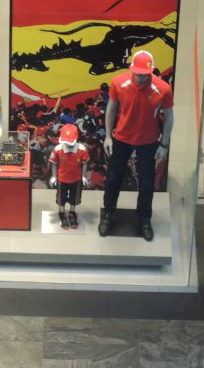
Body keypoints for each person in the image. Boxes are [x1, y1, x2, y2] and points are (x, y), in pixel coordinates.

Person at [100, 50, 173, 242]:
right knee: (113, 178)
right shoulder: (119, 82)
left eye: (145, 74)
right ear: (132, 69)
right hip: (121, 137)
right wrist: (108, 136)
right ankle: (108, 213)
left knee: (147, 182)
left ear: (151, 71)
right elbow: (111, 108)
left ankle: (145, 219)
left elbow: (169, 117)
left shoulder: (163, 89)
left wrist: (164, 145)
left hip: (148, 141)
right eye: (138, 73)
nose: (141, 77)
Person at [48, 123, 89, 230]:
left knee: (74, 197)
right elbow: (54, 163)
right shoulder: (57, 149)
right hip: (62, 179)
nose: (68, 144)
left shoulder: (82, 149)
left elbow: (85, 163)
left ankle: (72, 212)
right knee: (61, 197)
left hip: (76, 179)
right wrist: (53, 176)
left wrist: (84, 176)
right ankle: (62, 212)